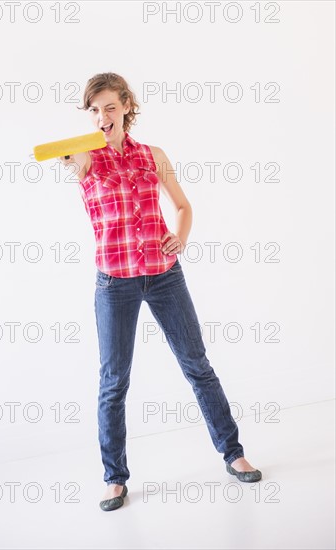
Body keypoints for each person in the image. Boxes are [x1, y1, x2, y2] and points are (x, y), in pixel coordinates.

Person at [59, 72, 261, 512]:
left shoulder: (154, 155)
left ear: (127, 106)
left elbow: (184, 207)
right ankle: (114, 479)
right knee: (114, 382)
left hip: (164, 274)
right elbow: (64, 158)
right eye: (94, 110)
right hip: (115, 283)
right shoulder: (86, 157)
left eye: (110, 107)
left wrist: (181, 237)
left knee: (197, 365)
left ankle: (233, 453)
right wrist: (73, 154)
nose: (102, 117)